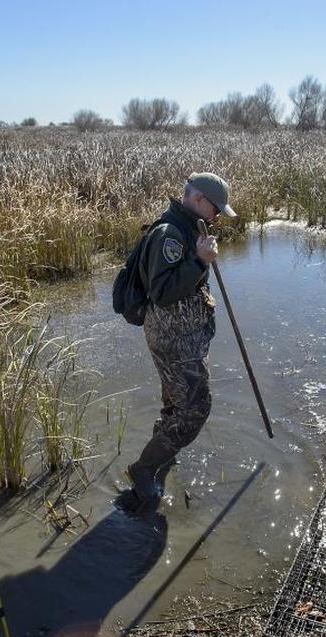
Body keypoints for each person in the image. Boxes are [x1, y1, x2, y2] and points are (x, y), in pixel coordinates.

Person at [126, 172, 236, 506]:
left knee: (177, 403)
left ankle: (162, 448)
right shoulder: (169, 234)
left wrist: (199, 259)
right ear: (199, 199)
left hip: (185, 337)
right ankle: (143, 468)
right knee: (195, 409)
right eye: (216, 209)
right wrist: (200, 261)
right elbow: (162, 293)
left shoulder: (190, 227)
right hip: (173, 339)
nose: (218, 217)